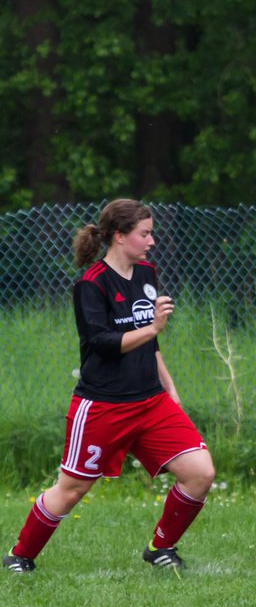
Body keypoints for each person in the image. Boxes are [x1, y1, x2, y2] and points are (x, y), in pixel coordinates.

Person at [3, 200, 215, 574]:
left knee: (200, 472)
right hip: (102, 405)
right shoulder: (91, 284)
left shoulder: (146, 272)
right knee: (72, 490)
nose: (151, 241)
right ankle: (20, 557)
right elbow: (102, 342)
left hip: (150, 401)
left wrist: (170, 388)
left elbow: (152, 345)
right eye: (144, 233)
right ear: (119, 236)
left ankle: (160, 548)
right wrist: (151, 328)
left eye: (151, 233)